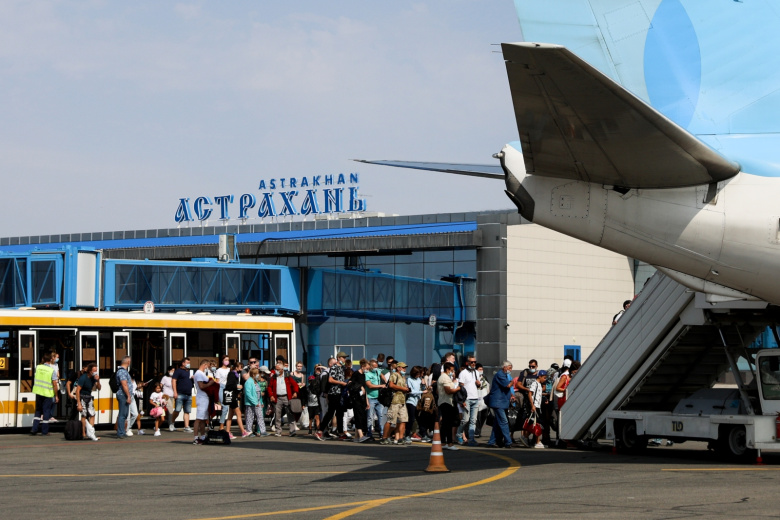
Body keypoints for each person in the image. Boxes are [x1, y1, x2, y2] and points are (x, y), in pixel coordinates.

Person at [315, 351, 348, 441]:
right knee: (330, 412)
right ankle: (320, 430)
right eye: (343, 358)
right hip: (334, 393)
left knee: (340, 413)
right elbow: (330, 380)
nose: (344, 359)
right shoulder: (334, 367)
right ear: (339, 358)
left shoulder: (342, 368)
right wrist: (341, 383)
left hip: (340, 393)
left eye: (345, 358)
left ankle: (341, 432)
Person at [485, 360, 514, 449]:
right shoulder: (500, 375)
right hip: (498, 403)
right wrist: (512, 382)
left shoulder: (503, 375)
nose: (510, 370)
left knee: (497, 423)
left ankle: (492, 441)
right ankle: (508, 441)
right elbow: (507, 385)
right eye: (509, 368)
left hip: (502, 402)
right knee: (504, 422)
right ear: (505, 367)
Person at [381, 361, 410, 445]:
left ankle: (401, 438)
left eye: (405, 368)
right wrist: (402, 388)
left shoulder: (403, 377)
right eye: (403, 368)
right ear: (398, 368)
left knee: (403, 419)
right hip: (394, 401)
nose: (404, 369)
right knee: (390, 420)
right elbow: (391, 385)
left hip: (402, 401)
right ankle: (384, 437)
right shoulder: (394, 375)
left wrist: (406, 390)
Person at [268, 361, 300, 437]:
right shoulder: (274, 377)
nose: (276, 371)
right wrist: (271, 395)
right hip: (277, 398)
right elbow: (269, 387)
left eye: (278, 369)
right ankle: (278, 431)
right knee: (277, 415)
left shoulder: (287, 376)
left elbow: (295, 385)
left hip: (286, 397)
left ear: (282, 370)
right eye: (276, 369)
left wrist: (295, 392)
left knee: (290, 413)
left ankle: (292, 431)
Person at [30, 352, 59, 436]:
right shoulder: (51, 370)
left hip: (38, 392)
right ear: (51, 360)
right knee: (46, 412)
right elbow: (54, 384)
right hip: (47, 394)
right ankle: (44, 431)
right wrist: (56, 395)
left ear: (43, 359)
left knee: (38, 411)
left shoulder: (38, 367)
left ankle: (34, 429)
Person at [457, 354, 481, 447]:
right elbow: (461, 387)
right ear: (467, 363)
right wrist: (462, 400)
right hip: (467, 399)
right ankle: (459, 434)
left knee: (473, 420)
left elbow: (478, 386)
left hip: (475, 398)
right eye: (472, 362)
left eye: (475, 362)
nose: (473, 364)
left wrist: (478, 384)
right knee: (465, 419)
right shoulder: (463, 373)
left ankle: (471, 438)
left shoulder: (476, 372)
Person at [519, 370, 547, 449]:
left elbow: (538, 395)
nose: (545, 379)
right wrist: (532, 405)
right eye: (544, 378)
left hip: (537, 406)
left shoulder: (539, 385)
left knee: (535, 424)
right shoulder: (535, 384)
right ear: (540, 376)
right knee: (536, 424)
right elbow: (530, 393)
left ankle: (527, 437)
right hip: (534, 406)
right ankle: (537, 441)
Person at [436, 361, 461, 450]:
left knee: (446, 423)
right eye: (451, 370)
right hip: (446, 402)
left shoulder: (445, 377)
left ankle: (444, 442)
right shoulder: (445, 378)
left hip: (445, 401)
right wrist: (458, 388)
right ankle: (449, 443)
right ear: (447, 369)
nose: (452, 372)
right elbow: (448, 391)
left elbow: (438, 391)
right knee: (448, 423)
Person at [73, 362, 101, 441]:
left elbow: (99, 388)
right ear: (90, 371)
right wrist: (79, 403)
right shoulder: (83, 378)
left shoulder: (94, 378)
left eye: (96, 370)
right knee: (84, 415)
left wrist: (98, 380)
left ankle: (91, 433)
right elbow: (78, 390)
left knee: (92, 414)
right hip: (82, 397)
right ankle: (83, 434)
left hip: (89, 397)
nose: (95, 372)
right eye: (94, 370)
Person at [221, 360, 247, 439]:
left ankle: (228, 432)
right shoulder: (232, 374)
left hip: (233, 396)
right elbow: (229, 386)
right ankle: (243, 431)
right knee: (238, 413)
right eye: (240, 368)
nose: (241, 369)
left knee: (230, 415)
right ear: (236, 367)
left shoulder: (235, 374)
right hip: (232, 397)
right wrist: (237, 386)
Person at [192, 360, 216, 445]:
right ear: (204, 365)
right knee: (199, 419)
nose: (208, 368)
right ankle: (195, 438)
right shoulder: (199, 373)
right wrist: (211, 383)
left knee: (203, 419)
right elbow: (201, 386)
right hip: (202, 398)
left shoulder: (201, 374)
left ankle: (202, 436)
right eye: (207, 366)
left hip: (205, 398)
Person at [349, 359, 371, 442]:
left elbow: (365, 389)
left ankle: (356, 437)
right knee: (358, 416)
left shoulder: (364, 375)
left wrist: (367, 401)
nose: (367, 370)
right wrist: (359, 386)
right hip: (356, 398)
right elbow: (350, 383)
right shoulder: (356, 374)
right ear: (362, 366)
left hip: (362, 398)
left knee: (362, 416)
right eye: (367, 368)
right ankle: (361, 435)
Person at [243, 367, 267, 438]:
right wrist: (254, 402)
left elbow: (259, 393)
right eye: (257, 373)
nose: (258, 375)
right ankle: (249, 431)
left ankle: (263, 431)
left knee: (260, 416)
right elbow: (248, 394)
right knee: (250, 417)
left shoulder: (256, 382)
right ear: (253, 374)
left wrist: (261, 402)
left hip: (258, 402)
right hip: (251, 403)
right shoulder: (248, 382)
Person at [171, 357, 194, 433]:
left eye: (189, 363)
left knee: (187, 411)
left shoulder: (190, 372)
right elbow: (174, 380)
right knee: (177, 410)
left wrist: (193, 378)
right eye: (187, 363)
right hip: (180, 393)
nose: (188, 364)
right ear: (183, 363)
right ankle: (172, 422)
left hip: (189, 394)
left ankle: (186, 426)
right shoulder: (178, 371)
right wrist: (175, 392)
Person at [365, 358, 386, 438]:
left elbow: (382, 375)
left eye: (376, 367)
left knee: (381, 415)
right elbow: (369, 385)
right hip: (370, 398)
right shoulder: (367, 374)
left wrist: (385, 380)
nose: (376, 368)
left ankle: (382, 433)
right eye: (374, 367)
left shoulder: (377, 371)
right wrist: (381, 386)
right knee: (370, 417)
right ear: (370, 367)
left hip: (379, 398)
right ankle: (369, 433)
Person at [404, 366, 424, 442]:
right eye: (418, 373)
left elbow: (421, 389)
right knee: (411, 419)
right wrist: (421, 392)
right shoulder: (409, 379)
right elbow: (411, 391)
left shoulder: (419, 379)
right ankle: (407, 435)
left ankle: (423, 434)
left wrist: (423, 385)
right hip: (411, 401)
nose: (419, 375)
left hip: (418, 401)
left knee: (419, 418)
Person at [115, 356, 132, 439]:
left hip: (124, 395)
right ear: (128, 362)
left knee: (124, 414)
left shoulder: (123, 371)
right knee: (122, 414)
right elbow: (124, 384)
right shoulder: (122, 371)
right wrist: (128, 396)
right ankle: (120, 432)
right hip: (123, 395)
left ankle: (122, 431)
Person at [474, 363, 490, 438]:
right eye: (479, 369)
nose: (481, 371)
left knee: (484, 415)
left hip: (484, 399)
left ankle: (479, 430)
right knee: (478, 416)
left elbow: (488, 386)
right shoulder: (474, 378)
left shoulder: (484, 377)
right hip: (477, 399)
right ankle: (477, 431)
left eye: (482, 369)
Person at [306, 368, 322, 435]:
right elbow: (305, 396)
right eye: (310, 381)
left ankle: (318, 429)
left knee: (317, 417)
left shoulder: (317, 387)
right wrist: (304, 404)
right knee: (311, 418)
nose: (312, 382)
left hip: (316, 404)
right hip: (310, 405)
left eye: (313, 380)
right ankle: (310, 429)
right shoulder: (307, 388)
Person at [160, 365, 176, 430]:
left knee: (170, 411)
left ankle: (171, 423)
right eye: (172, 370)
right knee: (170, 410)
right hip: (166, 396)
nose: (173, 372)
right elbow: (161, 385)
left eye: (174, 371)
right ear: (168, 371)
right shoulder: (165, 378)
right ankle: (171, 424)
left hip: (172, 396)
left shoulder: (174, 378)